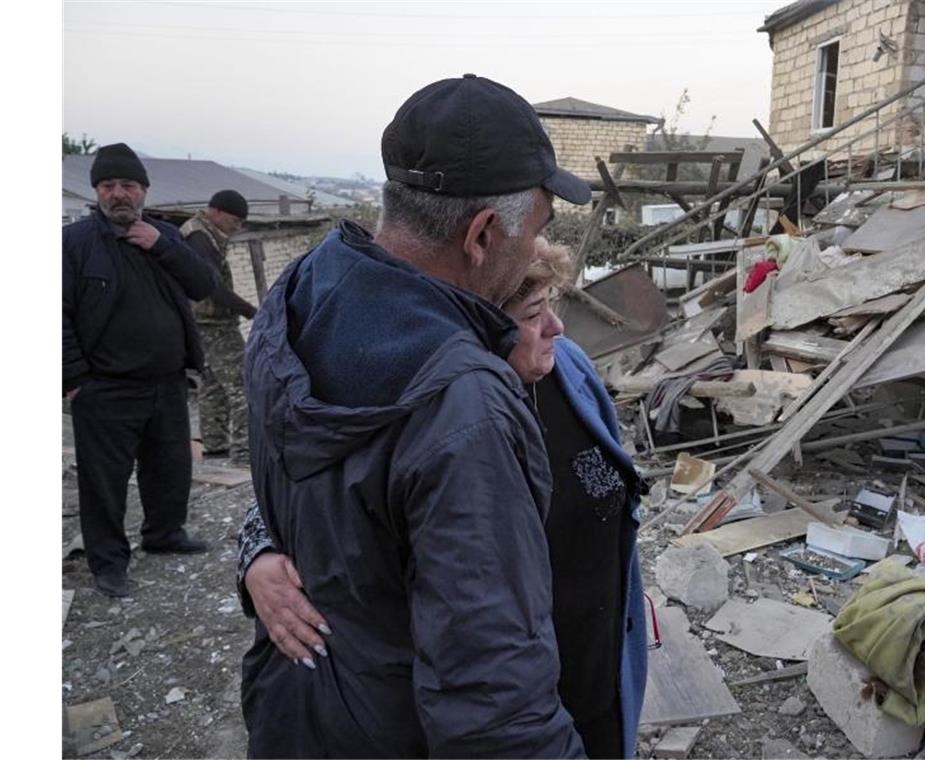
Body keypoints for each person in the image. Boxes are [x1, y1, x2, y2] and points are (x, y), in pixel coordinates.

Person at [240, 75, 599, 758]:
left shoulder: (301, 294)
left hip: (295, 713)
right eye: (539, 229)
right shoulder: (464, 403)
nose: (534, 252)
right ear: (483, 234)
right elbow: (494, 695)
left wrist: (255, 550)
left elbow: (307, 488)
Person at [239, 239, 648, 758]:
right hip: (501, 708)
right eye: (532, 313)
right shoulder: (428, 410)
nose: (556, 328)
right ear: (474, 327)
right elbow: (307, 480)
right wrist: (258, 548)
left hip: (592, 674)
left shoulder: (567, 368)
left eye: (553, 304)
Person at [63, 142, 218, 598]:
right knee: (104, 484)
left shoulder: (164, 237)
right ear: (97, 192)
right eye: (108, 185)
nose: (118, 194)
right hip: (104, 390)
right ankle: (108, 563)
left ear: (143, 191)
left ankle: (164, 534)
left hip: (167, 382)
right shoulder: (74, 244)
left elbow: (204, 282)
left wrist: (159, 246)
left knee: (169, 468)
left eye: (127, 185)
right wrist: (75, 383)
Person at [180, 189, 257, 463]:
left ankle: (214, 446)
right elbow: (212, 287)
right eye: (234, 222)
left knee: (212, 385)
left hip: (204, 323)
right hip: (213, 324)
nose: (236, 229)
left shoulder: (201, 233)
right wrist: (252, 312)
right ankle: (245, 453)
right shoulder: (199, 237)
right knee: (244, 384)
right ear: (218, 212)